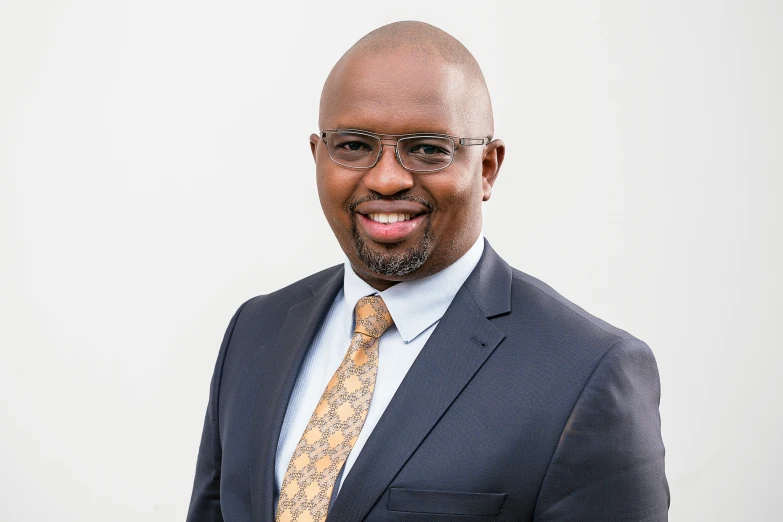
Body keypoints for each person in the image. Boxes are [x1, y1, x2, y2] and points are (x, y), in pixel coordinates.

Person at [186, 21, 669, 522]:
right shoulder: (256, 330)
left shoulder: (588, 373)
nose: (388, 178)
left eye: (427, 148)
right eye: (353, 145)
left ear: (487, 168)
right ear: (318, 156)